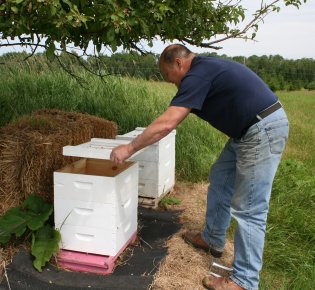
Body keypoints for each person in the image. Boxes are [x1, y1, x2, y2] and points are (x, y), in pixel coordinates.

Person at [110, 44, 289, 290]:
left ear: (178, 64)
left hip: (260, 129)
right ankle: (213, 239)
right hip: (248, 130)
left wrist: (128, 149)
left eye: (167, 75)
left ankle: (245, 281)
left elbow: (167, 123)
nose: (171, 82)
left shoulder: (196, 75)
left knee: (249, 208)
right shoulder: (204, 69)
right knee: (221, 176)